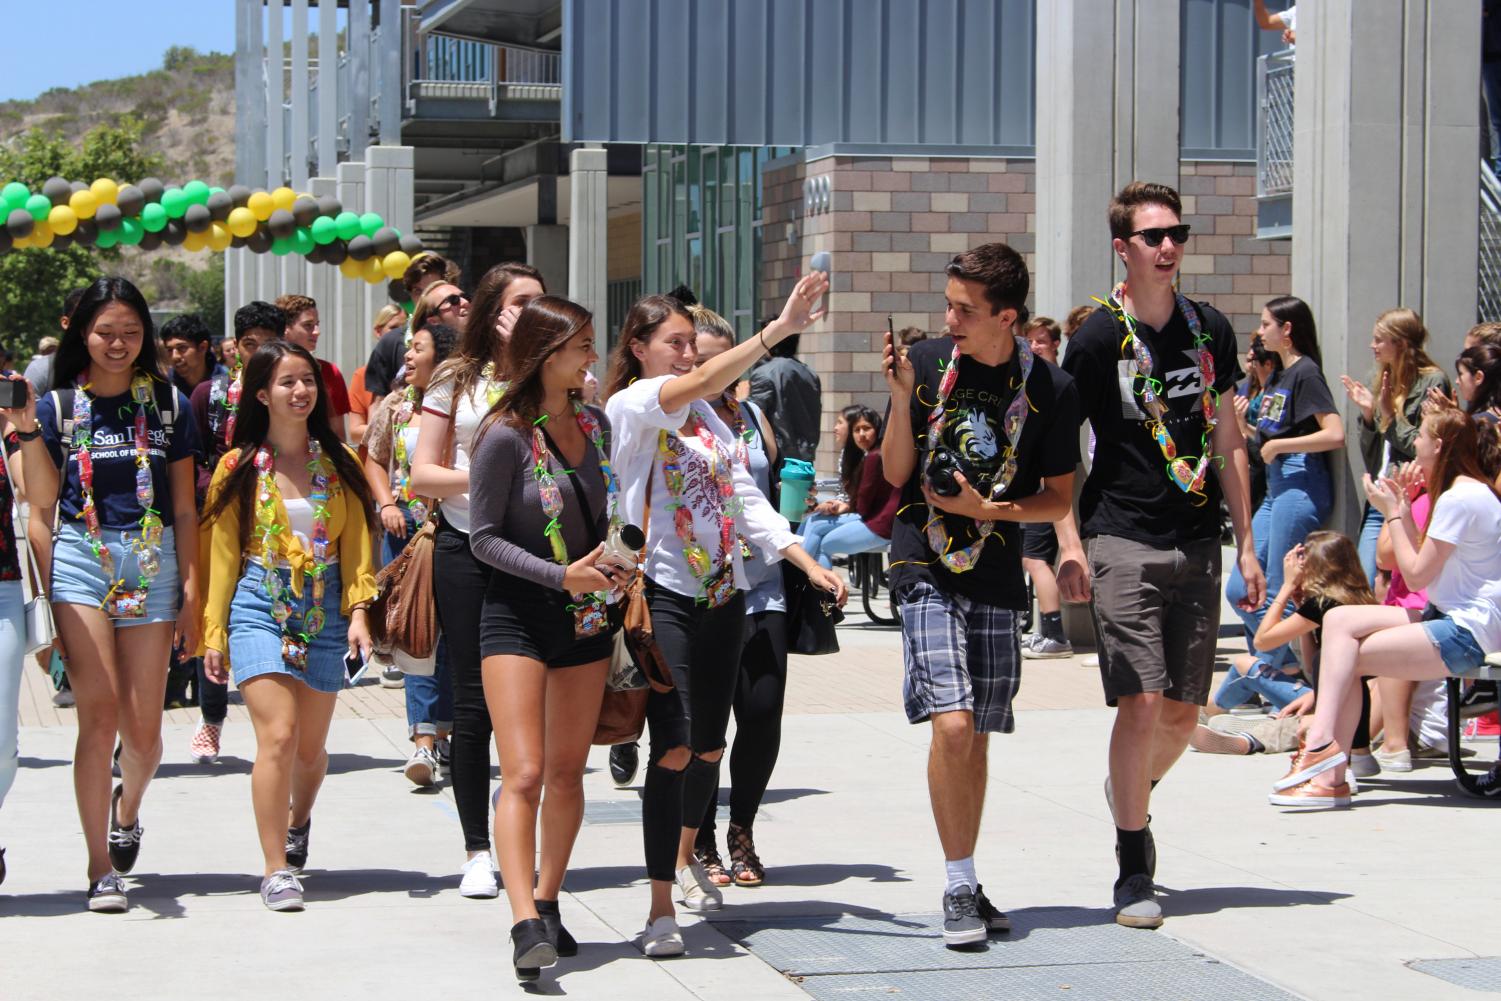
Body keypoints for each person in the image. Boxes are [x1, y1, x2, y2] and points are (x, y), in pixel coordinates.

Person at [604, 277, 843, 959]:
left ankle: (684, 859)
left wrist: (804, 561)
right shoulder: (633, 405)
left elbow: (745, 498)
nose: (685, 355)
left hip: (723, 594)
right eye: (673, 343)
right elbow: (701, 378)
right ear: (640, 348)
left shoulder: (710, 420)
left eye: (690, 344)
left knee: (709, 746)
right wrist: (777, 329)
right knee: (673, 746)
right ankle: (657, 908)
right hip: (662, 592)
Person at [1057, 182, 1262, 929]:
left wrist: (1245, 542)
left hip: (1198, 536)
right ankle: (1132, 859)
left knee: (1180, 713)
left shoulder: (1208, 331)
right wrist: (1068, 539)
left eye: (1176, 232)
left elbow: (1229, 440)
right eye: (1152, 236)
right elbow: (1059, 451)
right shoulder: (1094, 341)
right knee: (1140, 698)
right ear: (1124, 248)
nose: (1168, 246)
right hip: (1122, 533)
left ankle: (1128, 791)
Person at [880, 243, 1078, 949]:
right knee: (953, 724)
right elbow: (898, 471)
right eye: (947, 303)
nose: (949, 318)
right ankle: (957, 884)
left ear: (1007, 316)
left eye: (964, 309)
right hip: (921, 558)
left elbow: (1058, 498)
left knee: (980, 731)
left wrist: (988, 513)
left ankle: (966, 874)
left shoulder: (1050, 386)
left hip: (995, 569)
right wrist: (903, 396)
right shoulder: (929, 362)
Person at [29, 277, 202, 913]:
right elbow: (41, 506)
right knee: (98, 717)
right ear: (82, 334)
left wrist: (191, 590)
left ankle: (127, 810)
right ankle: (101, 867)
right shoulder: (57, 407)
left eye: (131, 332)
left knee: (146, 733)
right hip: (81, 557)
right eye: (105, 332)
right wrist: (48, 597)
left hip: (154, 562)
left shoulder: (168, 403)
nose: (118, 343)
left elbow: (186, 509)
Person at [466, 296, 618, 979]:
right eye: (582, 345)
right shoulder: (503, 434)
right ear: (547, 354)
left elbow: (606, 506)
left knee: (565, 772)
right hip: (517, 617)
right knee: (523, 772)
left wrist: (614, 561)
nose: (592, 356)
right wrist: (560, 575)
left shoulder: (597, 422)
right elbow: (483, 538)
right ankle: (524, 918)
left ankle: (551, 899)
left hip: (586, 618)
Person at [200, 341, 376, 909]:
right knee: (276, 735)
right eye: (285, 382)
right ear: (260, 394)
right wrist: (214, 630)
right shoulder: (240, 466)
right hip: (259, 598)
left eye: (307, 381)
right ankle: (276, 869)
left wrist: (358, 610)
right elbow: (222, 552)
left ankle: (300, 821)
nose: (300, 392)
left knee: (310, 750)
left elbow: (358, 544)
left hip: (324, 603)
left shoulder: (339, 460)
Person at [1272, 409, 1501, 806]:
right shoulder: (1463, 493)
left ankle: (1327, 761)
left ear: (1439, 446)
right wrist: (1403, 503)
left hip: (1467, 631)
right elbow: (1417, 566)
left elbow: (1414, 576)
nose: (1414, 444)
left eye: (1421, 437)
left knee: (1347, 657)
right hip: (1452, 615)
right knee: (1339, 619)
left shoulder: (1459, 499)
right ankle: (1332, 759)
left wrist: (1392, 512)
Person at [409, 261, 545, 898]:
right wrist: (492, 481)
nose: (531, 313)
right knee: (471, 700)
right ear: (493, 310)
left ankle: (524, 840)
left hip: (539, 555)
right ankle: (476, 849)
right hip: (466, 548)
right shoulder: (454, 380)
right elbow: (422, 475)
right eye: (521, 302)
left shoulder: (552, 376)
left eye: (541, 302)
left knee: (534, 701)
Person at [687, 304, 796, 890]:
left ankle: (742, 830)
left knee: (762, 713)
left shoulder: (753, 413)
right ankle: (697, 837)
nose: (720, 370)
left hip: (764, 585)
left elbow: (766, 487)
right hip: (701, 590)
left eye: (732, 359)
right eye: (705, 360)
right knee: (703, 723)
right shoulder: (673, 413)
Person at [1221, 297, 1342, 699]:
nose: (1260, 331)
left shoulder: (1306, 372)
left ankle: (1278, 682)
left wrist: (1282, 445)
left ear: (1287, 329)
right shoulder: (1278, 377)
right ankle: (1281, 669)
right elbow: (1268, 441)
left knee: (1276, 588)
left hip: (1301, 481)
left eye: (1266, 323)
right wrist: (1246, 428)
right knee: (1241, 586)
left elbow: (1334, 433)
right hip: (1276, 485)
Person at [186, 300, 286, 763]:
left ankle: (286, 713)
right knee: (217, 612)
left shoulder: (295, 389)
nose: (259, 352)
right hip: (221, 519)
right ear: (234, 348)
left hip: (283, 525)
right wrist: (225, 484)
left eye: (268, 343)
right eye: (250, 345)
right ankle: (212, 718)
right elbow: (191, 461)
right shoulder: (210, 395)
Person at [363, 322, 459, 786]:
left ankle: (446, 731)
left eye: (417, 349)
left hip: (455, 534)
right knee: (415, 634)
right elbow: (374, 459)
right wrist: (386, 504)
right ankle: (423, 742)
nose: (408, 357)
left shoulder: (468, 407)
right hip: (405, 538)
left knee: (455, 644)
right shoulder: (395, 408)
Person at [1340, 307, 1450, 584]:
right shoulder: (1377, 380)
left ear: (1400, 343)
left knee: (1397, 584)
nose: (1372, 346)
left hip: (1410, 496)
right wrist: (1368, 416)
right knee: (1365, 580)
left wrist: (1388, 417)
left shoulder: (1432, 381)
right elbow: (1373, 455)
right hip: (1381, 492)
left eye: (1379, 339)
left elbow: (1424, 448)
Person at [0, 366, 37, 887]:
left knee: (2, 737)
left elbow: (31, 491)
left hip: (4, 587)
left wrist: (21, 425)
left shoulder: (6, 426)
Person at [1018, 316, 1073, 659]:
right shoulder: (1028, 381)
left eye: (1041, 340)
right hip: (1035, 488)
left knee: (1035, 558)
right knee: (1033, 558)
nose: (1035, 346)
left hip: (1049, 488)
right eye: (1031, 340)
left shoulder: (1057, 387)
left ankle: (1054, 633)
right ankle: (1046, 630)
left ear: (1055, 344)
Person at [797, 405, 890, 568]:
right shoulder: (866, 455)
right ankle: (804, 577)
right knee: (813, 523)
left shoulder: (874, 457)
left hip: (879, 524)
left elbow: (863, 505)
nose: (861, 434)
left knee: (820, 535)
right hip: (871, 518)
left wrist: (843, 506)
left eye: (866, 428)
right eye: (857, 430)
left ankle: (804, 577)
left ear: (877, 429)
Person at [365, 254, 461, 401]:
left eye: (432, 288)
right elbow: (378, 406)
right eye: (417, 290)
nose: (424, 297)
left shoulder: (468, 339)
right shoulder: (391, 341)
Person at [275, 295, 350, 439]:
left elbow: (338, 434)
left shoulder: (330, 372)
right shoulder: (267, 370)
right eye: (308, 325)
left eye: (317, 324)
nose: (317, 331)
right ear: (285, 328)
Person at [749, 323, 823, 464]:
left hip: (777, 460)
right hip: (805, 457)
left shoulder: (764, 373)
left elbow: (754, 416)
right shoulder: (809, 373)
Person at [349, 305, 409, 447]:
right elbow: (355, 432)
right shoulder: (361, 375)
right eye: (394, 328)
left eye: (404, 329)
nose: (399, 335)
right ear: (378, 331)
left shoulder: (415, 374)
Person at [1234, 336, 1282, 512]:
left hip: (1266, 466)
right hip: (1256, 460)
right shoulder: (1253, 388)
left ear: (1268, 364)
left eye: (1253, 361)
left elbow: (1270, 435)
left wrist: (1242, 423)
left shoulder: (1276, 392)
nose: (1251, 366)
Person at [160, 313, 222, 397]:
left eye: (182, 348)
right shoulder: (165, 388)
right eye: (170, 350)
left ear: (202, 347)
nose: (175, 356)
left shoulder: (225, 385)